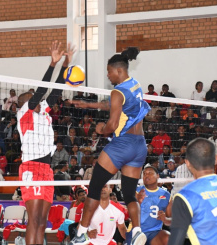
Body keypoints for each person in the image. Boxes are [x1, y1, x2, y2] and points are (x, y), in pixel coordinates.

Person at [70, 47, 149, 245]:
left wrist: (100, 129)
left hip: (123, 144)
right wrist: (88, 105)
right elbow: (114, 105)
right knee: (129, 192)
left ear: (117, 70)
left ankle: (81, 232)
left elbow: (112, 125)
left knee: (95, 186)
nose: (107, 74)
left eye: (108, 71)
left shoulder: (117, 91)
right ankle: (137, 231)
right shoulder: (134, 84)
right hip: (140, 145)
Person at [17, 41, 74, 245]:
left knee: (42, 221)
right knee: (34, 219)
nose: (38, 101)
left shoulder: (44, 114)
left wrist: (65, 64)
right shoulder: (24, 113)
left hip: (46, 169)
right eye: (32, 98)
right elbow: (41, 91)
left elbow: (56, 91)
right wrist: (52, 64)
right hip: (31, 167)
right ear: (25, 103)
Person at [125, 165, 171, 245]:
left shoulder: (166, 195)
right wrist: (138, 201)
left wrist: (165, 219)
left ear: (157, 175)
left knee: (167, 238)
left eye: (149, 173)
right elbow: (128, 214)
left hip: (154, 233)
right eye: (144, 173)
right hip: (137, 231)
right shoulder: (136, 191)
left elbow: (173, 220)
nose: (146, 175)